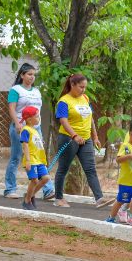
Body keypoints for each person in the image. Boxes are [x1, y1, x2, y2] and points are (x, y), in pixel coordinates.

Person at [52, 74, 111, 208]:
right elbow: (63, 120)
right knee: (63, 168)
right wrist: (74, 135)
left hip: (86, 139)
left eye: (85, 87)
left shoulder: (85, 98)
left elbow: (90, 118)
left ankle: (99, 198)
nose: (83, 90)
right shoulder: (64, 101)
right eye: (81, 87)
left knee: (90, 169)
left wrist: (95, 136)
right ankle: (58, 198)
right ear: (72, 85)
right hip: (68, 139)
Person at [4, 63, 54, 200]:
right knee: (16, 157)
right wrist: (17, 123)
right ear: (22, 75)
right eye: (29, 74)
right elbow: (12, 109)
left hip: (35, 129)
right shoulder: (16, 90)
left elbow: (37, 111)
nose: (32, 77)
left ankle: (48, 189)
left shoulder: (37, 91)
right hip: (21, 127)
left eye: (34, 75)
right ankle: (10, 188)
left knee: (40, 157)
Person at [18, 107, 50, 210]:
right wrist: (28, 160)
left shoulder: (35, 130)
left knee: (46, 178)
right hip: (31, 160)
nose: (39, 118)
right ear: (29, 119)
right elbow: (25, 145)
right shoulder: (25, 130)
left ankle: (30, 195)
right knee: (35, 180)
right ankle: (27, 201)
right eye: (36, 116)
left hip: (39, 160)